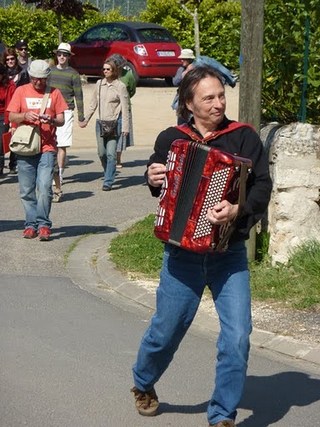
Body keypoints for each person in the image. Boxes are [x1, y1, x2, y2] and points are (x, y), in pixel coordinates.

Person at [131, 66, 272, 427]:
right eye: (209, 98)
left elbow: (262, 187)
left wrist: (239, 209)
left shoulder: (243, 137)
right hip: (182, 255)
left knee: (238, 336)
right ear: (189, 104)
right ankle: (143, 381)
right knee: (166, 331)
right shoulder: (171, 138)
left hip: (229, 254)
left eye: (221, 95)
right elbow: (157, 178)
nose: (219, 103)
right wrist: (151, 174)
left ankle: (222, 415)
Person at [7, 59, 68, 241]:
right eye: (35, 78)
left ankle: (43, 224)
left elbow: (61, 119)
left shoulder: (54, 93)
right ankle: (30, 224)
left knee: (44, 187)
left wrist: (51, 121)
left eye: (41, 79)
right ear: (30, 76)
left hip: (47, 147)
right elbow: (11, 115)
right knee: (26, 190)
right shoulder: (21, 91)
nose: (38, 82)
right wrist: (25, 115)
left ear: (47, 78)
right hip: (26, 147)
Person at [80, 59, 129, 191]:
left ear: (114, 71)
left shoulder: (120, 86)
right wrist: (85, 120)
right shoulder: (99, 84)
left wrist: (125, 127)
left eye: (108, 69)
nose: (105, 71)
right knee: (101, 153)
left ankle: (108, 180)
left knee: (111, 154)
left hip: (114, 123)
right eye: (104, 69)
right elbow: (93, 104)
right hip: (100, 123)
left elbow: (125, 108)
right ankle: (108, 170)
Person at [48, 42, 85, 202]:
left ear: (69, 57)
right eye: (59, 54)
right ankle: (54, 171)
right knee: (51, 144)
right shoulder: (49, 72)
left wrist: (81, 117)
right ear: (56, 55)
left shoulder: (74, 74)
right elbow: (45, 92)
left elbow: (79, 95)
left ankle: (59, 174)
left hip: (67, 110)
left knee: (62, 144)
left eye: (65, 54)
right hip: (50, 110)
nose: (62, 57)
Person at [2, 47, 30, 174]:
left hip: (18, 106)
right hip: (6, 106)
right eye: (7, 59)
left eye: (12, 58)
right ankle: (3, 163)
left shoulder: (22, 72)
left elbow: (26, 89)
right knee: (4, 137)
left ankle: (13, 163)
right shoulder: (3, 72)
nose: (10, 61)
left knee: (14, 134)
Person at [107, 53, 136, 169]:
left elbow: (132, 90)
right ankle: (111, 157)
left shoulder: (128, 75)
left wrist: (125, 99)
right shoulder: (108, 74)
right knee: (110, 133)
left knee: (121, 134)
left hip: (124, 108)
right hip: (110, 108)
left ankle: (117, 158)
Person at [171, 48, 195, 124]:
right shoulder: (181, 69)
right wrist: (185, 72)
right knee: (181, 120)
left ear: (189, 59)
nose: (181, 60)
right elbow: (175, 82)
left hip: (193, 97)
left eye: (183, 59)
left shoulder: (196, 70)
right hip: (182, 98)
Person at [0, 63, 16, 176]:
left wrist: (9, 122)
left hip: (3, 115)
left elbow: (10, 105)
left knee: (0, 143)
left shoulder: (10, 85)